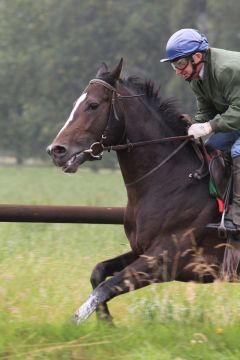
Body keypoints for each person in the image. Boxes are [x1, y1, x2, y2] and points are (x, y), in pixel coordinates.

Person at [160, 28, 240, 234]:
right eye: (174, 65)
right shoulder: (196, 78)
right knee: (212, 147)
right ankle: (222, 207)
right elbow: (206, 110)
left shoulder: (226, 70)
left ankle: (237, 216)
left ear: (197, 56)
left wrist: (209, 126)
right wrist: (192, 127)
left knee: (238, 151)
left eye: (179, 63)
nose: (177, 71)